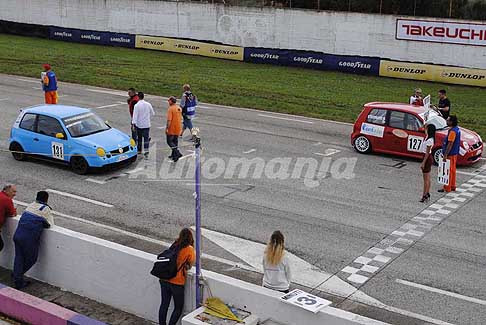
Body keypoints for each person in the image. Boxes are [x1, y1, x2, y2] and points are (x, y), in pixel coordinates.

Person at [12, 191, 54, 289]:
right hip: (28, 238)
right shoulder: (45, 208)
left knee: (19, 257)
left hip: (18, 235)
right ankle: (17, 277)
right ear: (47, 199)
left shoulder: (31, 205)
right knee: (32, 258)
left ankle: (16, 275)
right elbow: (49, 224)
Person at [159, 228, 196, 325]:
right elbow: (190, 264)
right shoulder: (189, 249)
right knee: (178, 307)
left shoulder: (175, 244)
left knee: (164, 305)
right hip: (177, 282)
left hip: (164, 279)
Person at [439, 115, 460, 193]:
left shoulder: (452, 132)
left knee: (448, 171)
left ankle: (447, 187)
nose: (446, 121)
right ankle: (452, 186)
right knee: (453, 170)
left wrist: (445, 155)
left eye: (448, 120)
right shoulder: (457, 129)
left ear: (451, 122)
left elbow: (450, 143)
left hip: (450, 154)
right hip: (454, 153)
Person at [132, 92, 155, 158]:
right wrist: (147, 116)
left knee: (139, 138)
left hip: (139, 124)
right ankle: (146, 151)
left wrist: (133, 124)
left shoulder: (136, 105)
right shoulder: (148, 104)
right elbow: (152, 113)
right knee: (146, 138)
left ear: (138, 97)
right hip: (147, 124)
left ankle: (139, 150)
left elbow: (135, 116)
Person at [420, 124, 436, 203]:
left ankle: (424, 194)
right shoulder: (428, 137)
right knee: (428, 177)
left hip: (427, 158)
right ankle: (427, 193)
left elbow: (427, 153)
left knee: (426, 179)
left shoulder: (430, 140)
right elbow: (425, 125)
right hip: (427, 157)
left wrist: (423, 163)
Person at [166, 96, 183, 162]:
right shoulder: (179, 108)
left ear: (171, 101)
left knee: (169, 142)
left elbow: (169, 120)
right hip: (178, 127)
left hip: (172, 128)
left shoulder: (170, 109)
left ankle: (177, 153)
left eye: (169, 100)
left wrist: (167, 128)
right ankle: (174, 156)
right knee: (175, 142)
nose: (168, 101)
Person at [0, 184, 17, 252]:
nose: (14, 194)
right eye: (13, 192)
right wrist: (15, 209)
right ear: (7, 191)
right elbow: (12, 214)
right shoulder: (7, 200)